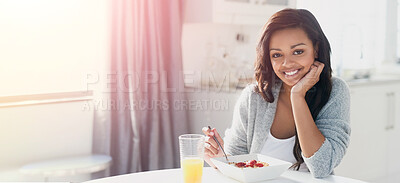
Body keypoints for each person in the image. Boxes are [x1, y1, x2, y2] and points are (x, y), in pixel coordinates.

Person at [202, 8, 350, 178]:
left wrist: (297, 96)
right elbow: (237, 162)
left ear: (316, 49)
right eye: (277, 55)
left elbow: (322, 167)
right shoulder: (254, 96)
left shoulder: (335, 92)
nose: (287, 63)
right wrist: (220, 158)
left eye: (298, 51)